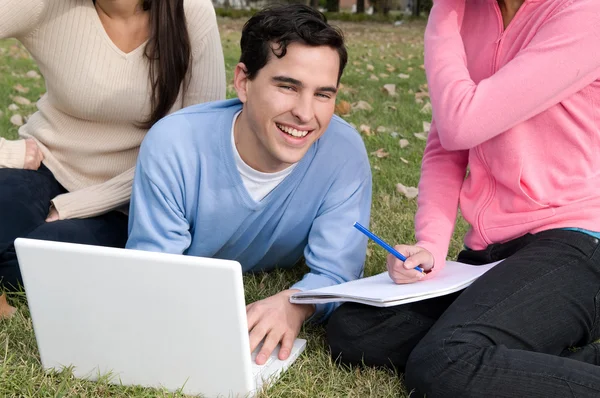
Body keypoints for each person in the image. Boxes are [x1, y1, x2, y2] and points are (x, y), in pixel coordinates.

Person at [326, 0, 600, 396]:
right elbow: (445, 144)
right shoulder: (467, 12)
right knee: (357, 333)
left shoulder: (584, 13)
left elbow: (461, 122)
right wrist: (432, 246)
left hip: (575, 241)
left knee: (445, 363)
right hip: (490, 252)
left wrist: (443, 13)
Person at [126, 4, 372, 366]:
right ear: (243, 82)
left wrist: (295, 304)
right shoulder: (174, 145)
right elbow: (154, 271)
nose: (306, 113)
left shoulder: (344, 153)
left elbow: (338, 272)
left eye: (323, 94)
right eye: (288, 87)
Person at [0, 0, 226, 306]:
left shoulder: (190, 10)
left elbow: (197, 145)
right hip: (46, 162)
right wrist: (7, 153)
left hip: (135, 198)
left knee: (25, 266)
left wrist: (78, 205)